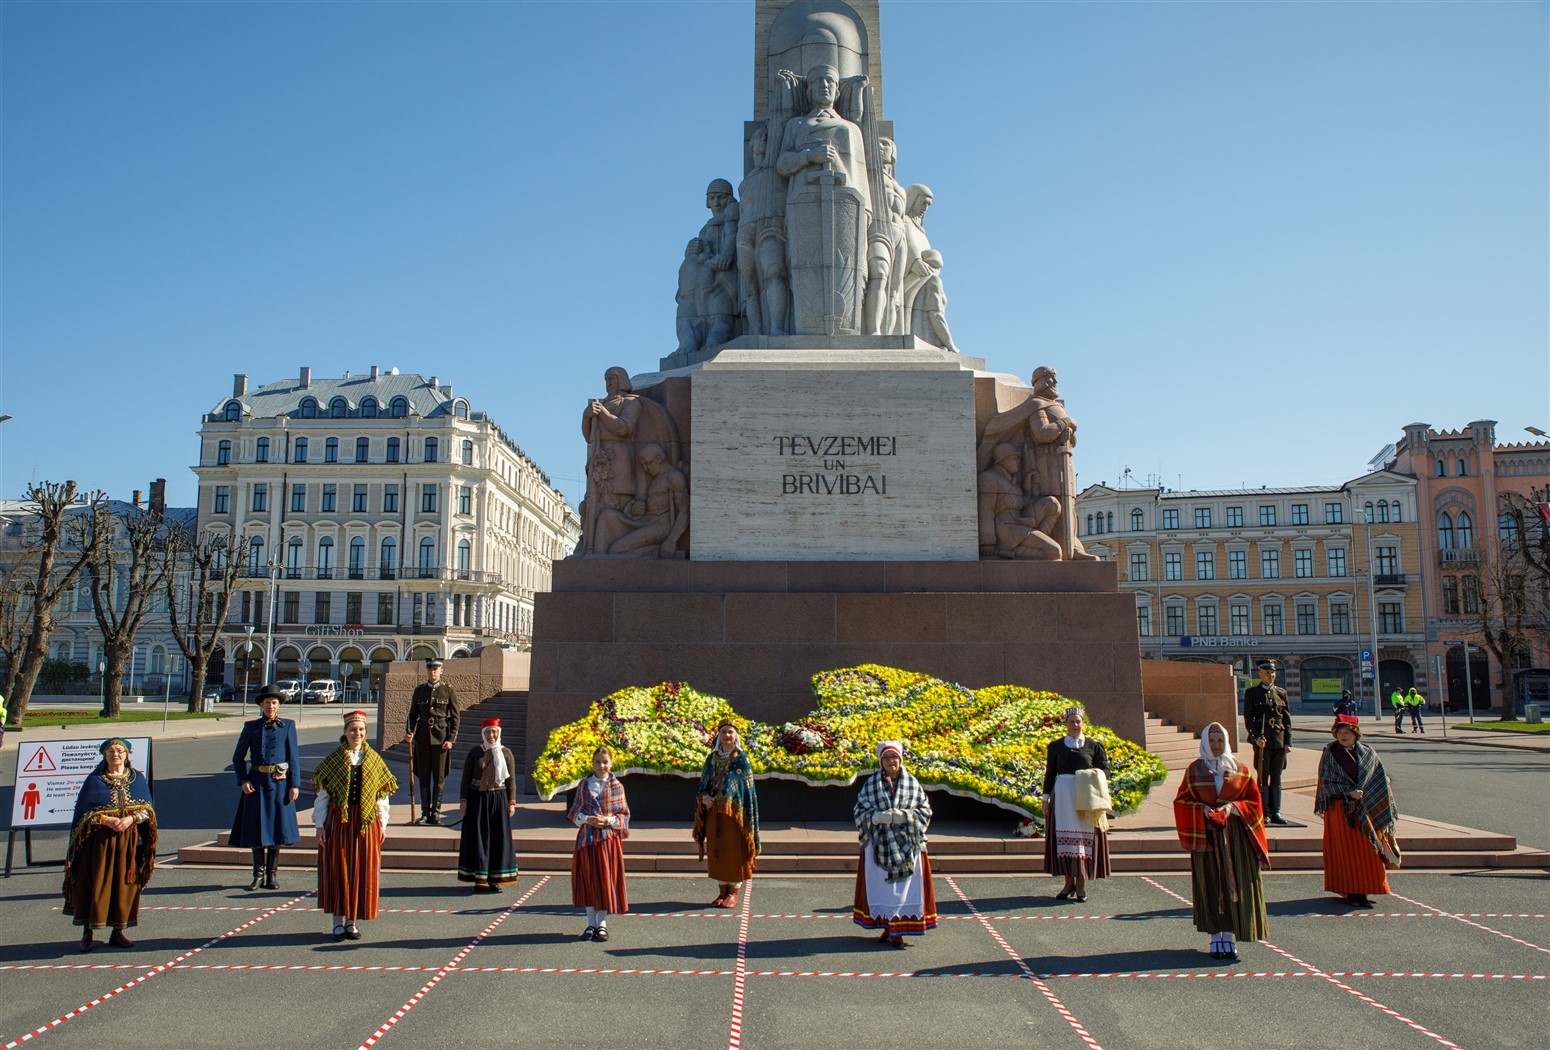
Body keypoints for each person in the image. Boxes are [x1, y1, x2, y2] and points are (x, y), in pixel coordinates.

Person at [1173, 723, 1270, 962]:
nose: (1216, 746)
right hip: (1207, 836)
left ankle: (1230, 936)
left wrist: (1232, 807)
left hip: (1236, 837)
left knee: (1236, 884)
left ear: (1226, 742)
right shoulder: (1194, 769)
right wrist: (1202, 809)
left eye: (1219, 741)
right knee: (1211, 883)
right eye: (1212, 741)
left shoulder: (1240, 769)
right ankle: (1215, 936)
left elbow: (1254, 802)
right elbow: (1181, 801)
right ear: (1205, 743)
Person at [64, 737, 157, 952]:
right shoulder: (94, 780)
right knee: (96, 884)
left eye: (119, 751)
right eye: (111, 751)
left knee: (123, 886)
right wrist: (107, 820)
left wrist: (131, 819)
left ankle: (118, 931)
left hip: (128, 842)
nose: (115, 754)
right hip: (99, 843)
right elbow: (83, 815)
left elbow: (148, 810)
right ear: (104, 755)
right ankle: (88, 932)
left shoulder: (137, 779)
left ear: (127, 755)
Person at [315, 709, 397, 942]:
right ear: (345, 732)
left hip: (365, 821)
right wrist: (320, 825)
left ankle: (351, 922)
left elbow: (382, 796)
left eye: (361, 730)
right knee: (338, 869)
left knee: (360, 870)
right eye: (352, 730)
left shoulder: (374, 760)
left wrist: (382, 823)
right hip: (339, 821)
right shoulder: (334, 759)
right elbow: (322, 796)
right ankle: (336, 922)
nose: (357, 734)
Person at [852, 741, 937, 948]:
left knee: (904, 888)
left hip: (907, 844)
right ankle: (888, 925)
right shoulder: (871, 784)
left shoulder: (912, 783)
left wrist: (905, 817)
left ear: (901, 759)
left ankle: (899, 929)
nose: (891, 761)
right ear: (881, 761)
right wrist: (875, 817)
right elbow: (859, 810)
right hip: (880, 844)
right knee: (884, 889)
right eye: (887, 758)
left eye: (894, 757)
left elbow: (925, 810)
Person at [1315, 714, 1399, 909]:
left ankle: (1365, 890)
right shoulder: (1330, 753)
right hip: (1341, 812)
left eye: (1346, 732)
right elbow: (1325, 781)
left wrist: (1371, 792)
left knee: (1369, 852)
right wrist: (1348, 791)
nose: (1343, 736)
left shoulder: (1368, 753)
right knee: (1346, 853)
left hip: (1367, 810)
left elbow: (1379, 778)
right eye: (1339, 732)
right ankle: (1351, 892)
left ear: (1355, 734)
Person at [229, 684, 300, 891]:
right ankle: (258, 874)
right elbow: (238, 758)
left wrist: (294, 784)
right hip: (257, 783)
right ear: (261, 704)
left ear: (279, 705)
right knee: (257, 828)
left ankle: (272, 875)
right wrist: (243, 780)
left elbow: (293, 758)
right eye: (267, 702)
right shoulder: (251, 727)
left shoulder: (288, 726)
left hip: (279, 784)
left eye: (274, 702)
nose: (271, 706)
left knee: (277, 829)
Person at [1041, 706, 1111, 902]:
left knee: (1082, 838)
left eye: (1078, 721)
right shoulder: (1056, 746)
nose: (1075, 725)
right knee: (1064, 839)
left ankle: (1081, 884)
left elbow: (1106, 770)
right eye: (1071, 721)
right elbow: (1050, 773)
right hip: (1062, 797)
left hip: (1086, 797)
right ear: (1066, 723)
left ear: (1083, 723)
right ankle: (1068, 883)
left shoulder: (1093, 746)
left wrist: (1091, 775)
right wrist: (1045, 799)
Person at [693, 720, 760, 909]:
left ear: (736, 735)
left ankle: (734, 892)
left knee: (733, 851)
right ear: (719, 735)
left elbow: (744, 789)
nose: (727, 735)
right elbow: (703, 784)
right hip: (714, 813)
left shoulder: (741, 759)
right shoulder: (711, 759)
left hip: (734, 815)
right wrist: (705, 798)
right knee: (717, 851)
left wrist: (726, 800)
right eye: (723, 732)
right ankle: (722, 891)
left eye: (730, 732)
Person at [566, 745, 631, 942]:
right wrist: (587, 819)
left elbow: (624, 815)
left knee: (604, 880)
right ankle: (590, 923)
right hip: (587, 839)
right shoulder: (584, 785)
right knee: (588, 879)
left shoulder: (617, 786)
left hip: (607, 840)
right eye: (598, 762)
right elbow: (574, 813)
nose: (601, 766)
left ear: (611, 763)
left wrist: (608, 820)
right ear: (592, 763)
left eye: (605, 762)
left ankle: (602, 923)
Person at [457, 718, 518, 892]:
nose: (491, 735)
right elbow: (466, 777)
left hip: (498, 799)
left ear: (499, 733)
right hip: (478, 799)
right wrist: (464, 800)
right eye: (488, 732)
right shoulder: (475, 752)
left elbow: (511, 780)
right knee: (479, 837)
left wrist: (511, 802)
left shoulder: (506, 753)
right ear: (483, 734)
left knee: (498, 838)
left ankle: (495, 879)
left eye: (494, 732)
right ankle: (479, 879)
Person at [404, 659, 459, 824]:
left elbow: (455, 717)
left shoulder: (448, 690)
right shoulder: (419, 690)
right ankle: (425, 813)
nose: (432, 672)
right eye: (430, 669)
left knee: (439, 778)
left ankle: (435, 813)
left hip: (441, 740)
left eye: (436, 669)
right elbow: (412, 714)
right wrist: (409, 732)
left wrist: (451, 739)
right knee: (424, 777)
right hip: (422, 739)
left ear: (441, 671)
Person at [1243, 660, 1292, 825]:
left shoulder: (1281, 693)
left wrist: (1288, 742)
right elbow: (1249, 720)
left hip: (1278, 740)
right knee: (1263, 776)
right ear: (1260, 674)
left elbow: (1286, 720)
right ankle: (1264, 811)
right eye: (1267, 673)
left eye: (1272, 673)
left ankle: (1276, 811)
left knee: (1277, 776)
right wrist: (1256, 738)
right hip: (1262, 742)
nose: (1270, 675)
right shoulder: (1252, 693)